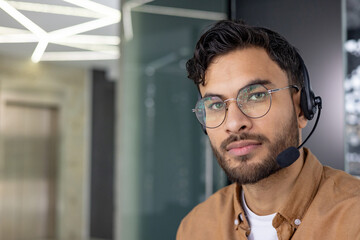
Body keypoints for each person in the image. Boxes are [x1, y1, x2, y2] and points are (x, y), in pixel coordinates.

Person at [176, 20, 360, 240]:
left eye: (256, 96)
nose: (234, 123)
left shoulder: (353, 219)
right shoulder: (196, 228)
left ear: (301, 109)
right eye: (216, 105)